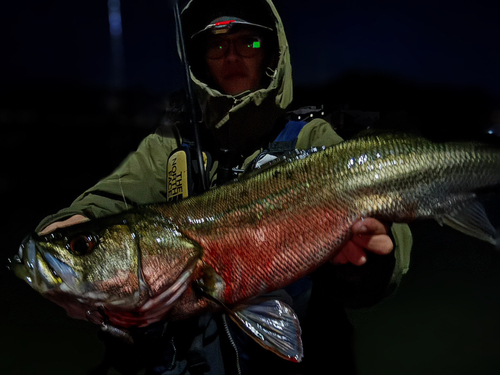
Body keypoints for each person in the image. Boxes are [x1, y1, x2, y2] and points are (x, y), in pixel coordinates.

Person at [37, 1, 412, 374]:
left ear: (270, 53)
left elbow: (385, 243)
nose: (232, 56)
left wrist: (372, 262)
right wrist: (67, 241)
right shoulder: (169, 146)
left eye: (248, 43)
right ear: (201, 61)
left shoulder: (313, 139)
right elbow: (101, 204)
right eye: (217, 45)